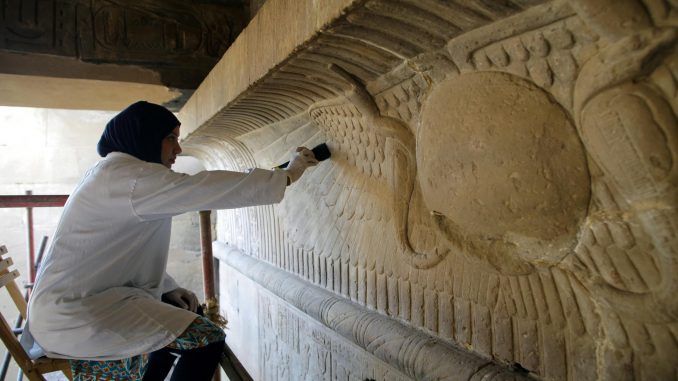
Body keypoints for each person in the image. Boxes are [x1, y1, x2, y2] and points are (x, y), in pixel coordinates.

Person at [24, 101, 318, 380]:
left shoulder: (119, 174)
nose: (178, 149)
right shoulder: (132, 179)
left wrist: (168, 287)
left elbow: (125, 255)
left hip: (87, 304)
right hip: (74, 316)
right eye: (169, 138)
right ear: (145, 137)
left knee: (181, 317)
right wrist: (286, 176)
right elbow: (202, 188)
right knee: (206, 340)